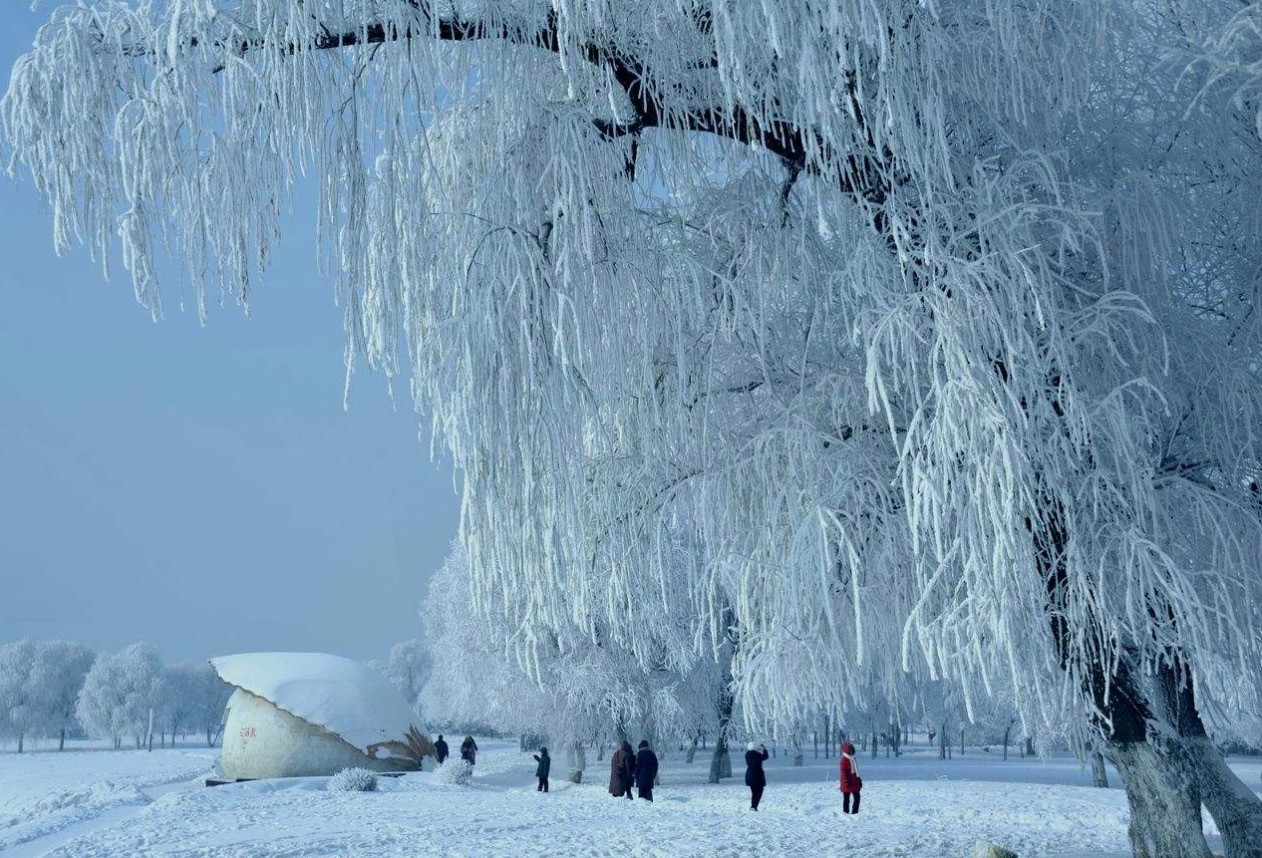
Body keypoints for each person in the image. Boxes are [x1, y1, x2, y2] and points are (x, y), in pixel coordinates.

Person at [744, 741, 770, 810]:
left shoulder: (747, 754)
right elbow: (765, 756)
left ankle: (753, 806)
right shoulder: (757, 754)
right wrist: (764, 749)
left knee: (754, 792)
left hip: (749, 775)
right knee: (759, 791)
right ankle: (754, 806)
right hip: (757, 775)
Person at [839, 740, 862, 814]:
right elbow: (843, 771)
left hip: (854, 781)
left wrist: (859, 779)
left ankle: (855, 813)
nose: (852, 751)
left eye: (852, 749)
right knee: (846, 798)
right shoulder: (844, 759)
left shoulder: (853, 759)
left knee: (857, 797)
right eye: (850, 749)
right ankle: (845, 812)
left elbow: (856, 770)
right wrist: (846, 781)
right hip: (847, 782)